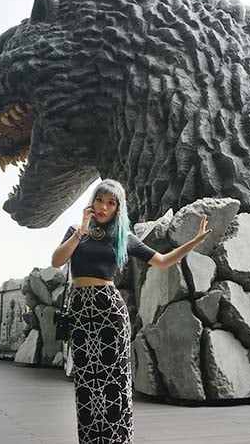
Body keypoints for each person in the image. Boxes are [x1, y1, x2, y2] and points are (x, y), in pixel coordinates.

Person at [51, 179, 212, 444]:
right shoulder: (75, 231)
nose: (103, 207)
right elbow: (57, 261)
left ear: (118, 208)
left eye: (111, 203)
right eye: (100, 200)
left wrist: (193, 243)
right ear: (93, 201)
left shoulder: (124, 237)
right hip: (81, 311)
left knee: (115, 381)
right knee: (87, 383)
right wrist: (81, 231)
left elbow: (162, 261)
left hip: (110, 313)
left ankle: (118, 440)